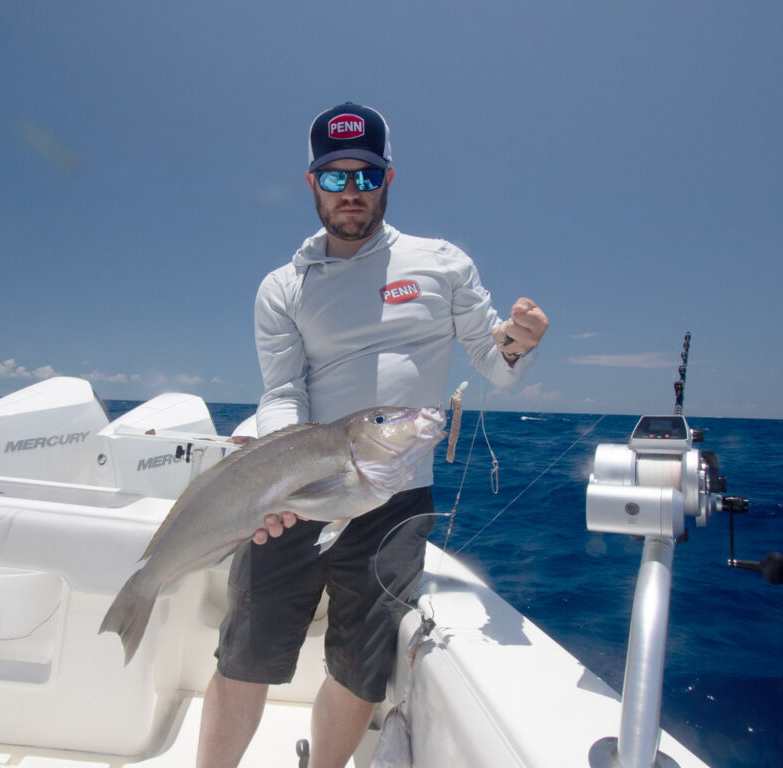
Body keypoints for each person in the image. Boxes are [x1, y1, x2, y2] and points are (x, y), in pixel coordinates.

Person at [196, 102, 549, 768]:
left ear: (389, 178)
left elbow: (493, 361)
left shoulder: (442, 264)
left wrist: (517, 344)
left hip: (397, 496)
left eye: (366, 175)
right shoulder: (284, 287)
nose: (351, 191)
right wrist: (279, 480)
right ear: (311, 183)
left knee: (360, 666)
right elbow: (281, 392)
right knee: (246, 651)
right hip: (302, 488)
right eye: (335, 178)